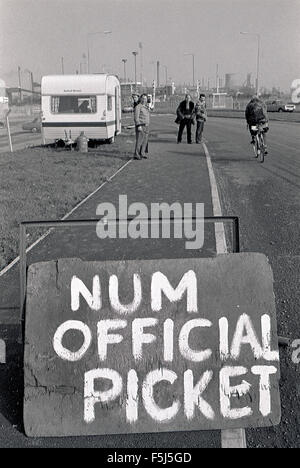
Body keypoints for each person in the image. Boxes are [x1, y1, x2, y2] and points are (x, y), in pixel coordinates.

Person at [134, 94, 150, 159]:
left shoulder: (145, 107)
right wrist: (138, 125)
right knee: (139, 141)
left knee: (145, 141)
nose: (144, 100)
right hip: (141, 126)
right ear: (140, 99)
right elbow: (136, 117)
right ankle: (136, 154)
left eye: (145, 98)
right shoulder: (138, 107)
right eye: (143, 98)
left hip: (146, 126)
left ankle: (142, 153)